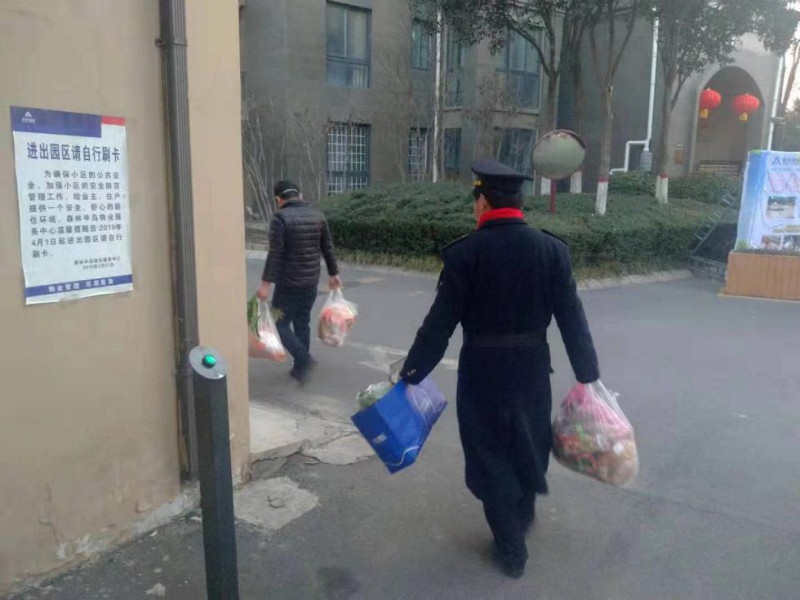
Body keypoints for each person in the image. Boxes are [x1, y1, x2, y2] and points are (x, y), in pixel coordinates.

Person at [398, 159, 600, 578]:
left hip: (482, 372)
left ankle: (511, 548)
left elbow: (439, 325)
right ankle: (522, 514)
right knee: (528, 442)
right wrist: (588, 376)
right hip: (531, 371)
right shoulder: (552, 251)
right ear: (519, 203)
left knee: (488, 452)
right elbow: (572, 319)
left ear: (483, 202)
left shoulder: (464, 254)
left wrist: (412, 373)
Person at [257, 180, 342, 383]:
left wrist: (265, 285)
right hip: (311, 281)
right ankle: (300, 368)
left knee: (279, 324)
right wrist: (334, 274)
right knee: (302, 322)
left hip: (288, 283)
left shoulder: (280, 218)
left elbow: (275, 253)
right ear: (300, 194)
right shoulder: (317, 215)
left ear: (278, 199)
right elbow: (327, 247)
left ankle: (304, 359)